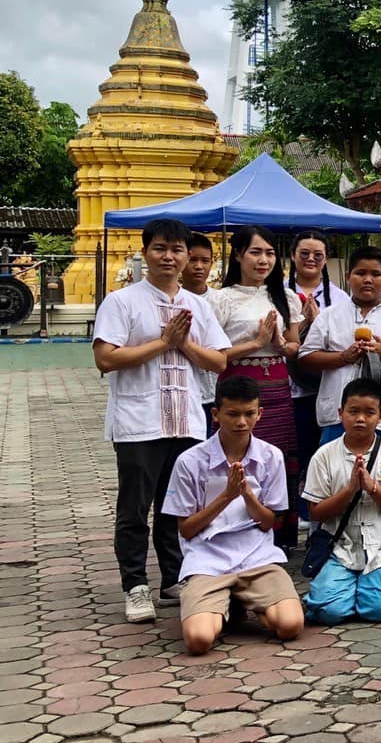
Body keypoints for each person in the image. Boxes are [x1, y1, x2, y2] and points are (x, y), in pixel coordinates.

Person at [94, 218, 231, 623]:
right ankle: (135, 585)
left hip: (186, 420)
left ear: (187, 256)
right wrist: (163, 343)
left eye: (176, 250)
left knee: (179, 505)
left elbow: (219, 361)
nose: (168, 257)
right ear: (145, 253)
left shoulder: (198, 305)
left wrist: (183, 344)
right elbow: (105, 358)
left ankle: (174, 577)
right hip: (139, 421)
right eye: (160, 248)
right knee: (135, 508)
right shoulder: (122, 302)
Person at [161, 375, 304, 655]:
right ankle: (228, 604)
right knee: (199, 640)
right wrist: (226, 495)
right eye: (233, 414)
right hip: (208, 559)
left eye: (249, 414)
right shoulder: (190, 461)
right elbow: (186, 529)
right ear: (215, 414)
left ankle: (244, 601)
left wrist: (247, 494)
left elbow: (268, 522)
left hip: (256, 556)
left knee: (291, 626)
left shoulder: (271, 456)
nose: (241, 422)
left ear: (260, 413)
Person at [210, 226, 304, 547]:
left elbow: (294, 346)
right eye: (256, 252)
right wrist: (255, 343)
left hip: (278, 390)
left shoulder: (285, 297)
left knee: (276, 459)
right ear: (238, 255)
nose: (264, 260)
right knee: (239, 455)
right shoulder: (221, 299)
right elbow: (213, 355)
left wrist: (280, 345)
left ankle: (277, 533)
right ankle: (234, 528)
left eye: (270, 253)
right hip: (237, 388)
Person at [301, 377, 381, 624]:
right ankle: (346, 591)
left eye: (369, 413)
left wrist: (372, 487)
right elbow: (316, 512)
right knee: (329, 612)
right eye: (353, 412)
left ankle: (362, 591)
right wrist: (350, 490)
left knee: (379, 610)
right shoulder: (324, 455)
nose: (360, 419)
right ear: (340, 413)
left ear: (380, 416)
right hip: (340, 547)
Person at [299, 248, 381, 447]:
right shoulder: (330, 315)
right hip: (339, 414)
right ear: (348, 276)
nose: (368, 280)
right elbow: (306, 357)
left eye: (376, 274)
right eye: (360, 273)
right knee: (337, 464)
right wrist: (343, 357)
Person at [286, 230, 348, 531]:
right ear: (292, 256)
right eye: (304, 253)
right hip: (289, 386)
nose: (311, 259)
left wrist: (318, 320)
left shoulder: (339, 298)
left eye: (318, 255)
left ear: (326, 260)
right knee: (293, 449)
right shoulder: (279, 293)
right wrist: (304, 325)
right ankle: (293, 510)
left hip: (327, 384)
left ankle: (317, 510)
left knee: (320, 450)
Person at [181, 234, 218, 412]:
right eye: (193, 260)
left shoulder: (221, 300)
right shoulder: (174, 300)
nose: (199, 266)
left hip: (217, 388)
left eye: (205, 261)